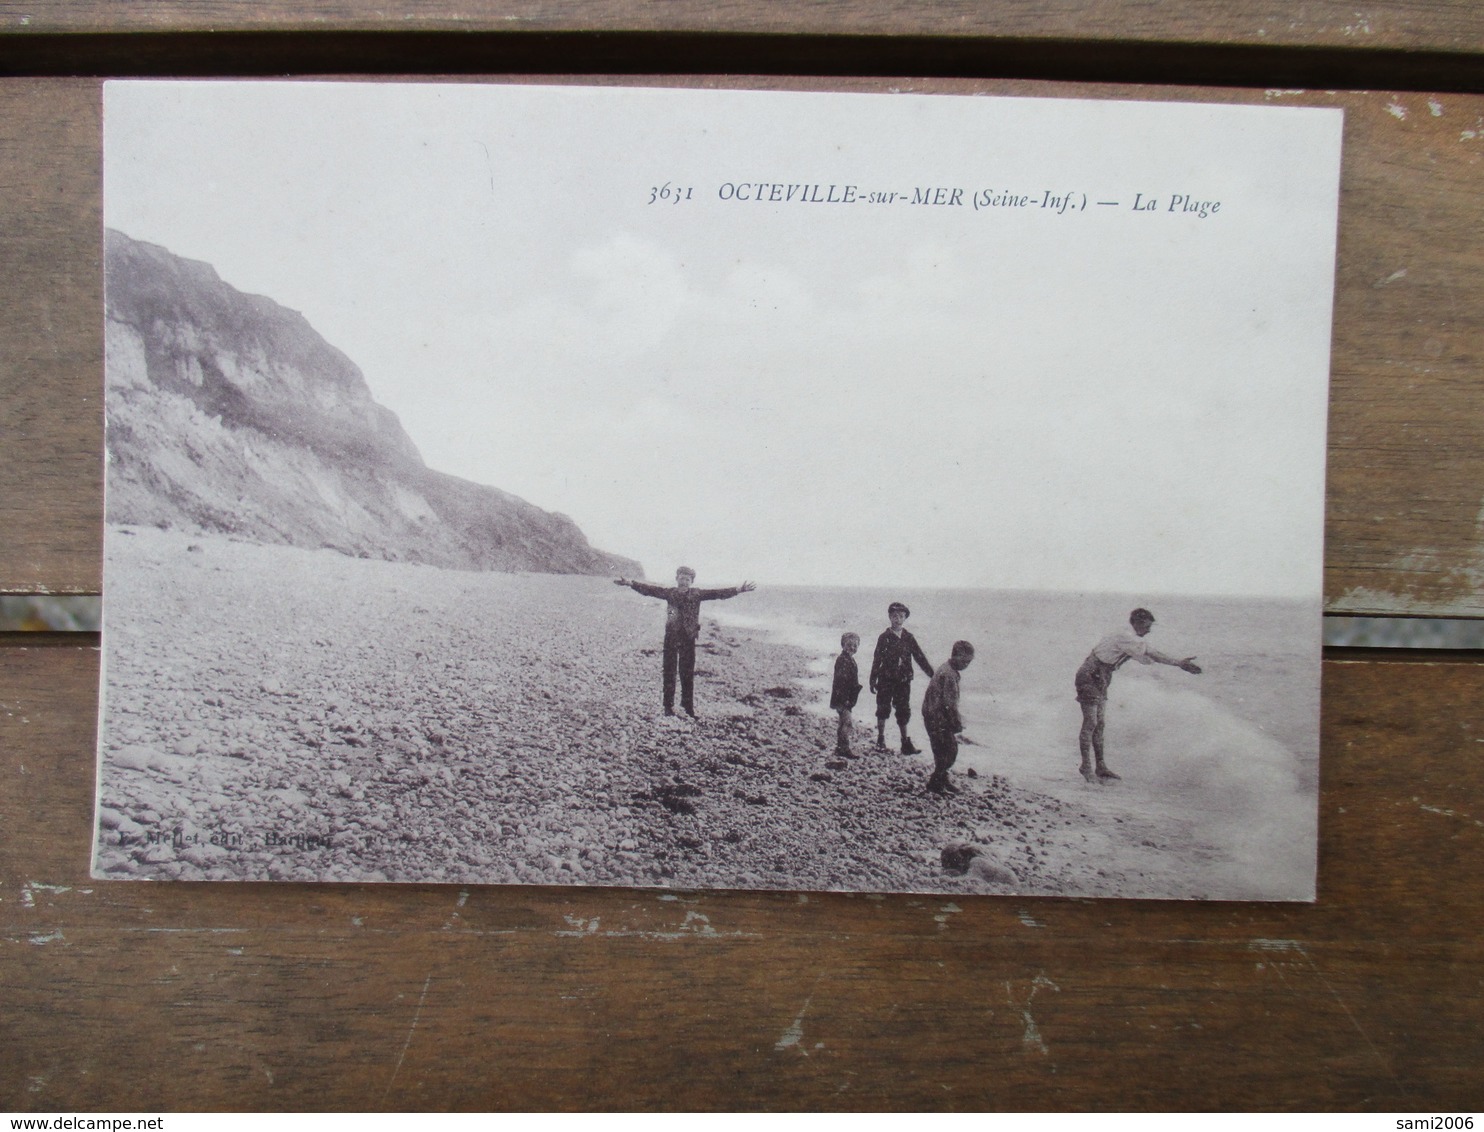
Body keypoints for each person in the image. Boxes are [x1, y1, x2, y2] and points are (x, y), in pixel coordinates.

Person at [1074, 607, 1201, 783]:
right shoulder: (1126, 637)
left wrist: (1178, 663)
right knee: (1091, 723)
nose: (1149, 630)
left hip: (1102, 675)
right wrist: (1179, 663)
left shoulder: (1132, 638)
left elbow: (1150, 652)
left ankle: (1101, 766)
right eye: (1147, 626)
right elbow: (1152, 654)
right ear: (1138, 623)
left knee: (1100, 724)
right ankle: (1086, 767)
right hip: (1090, 674)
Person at [615, 568, 756, 717]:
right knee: (669, 672)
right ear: (677, 579)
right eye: (682, 578)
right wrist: (631, 583)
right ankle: (668, 707)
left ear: (692, 582)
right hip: (671, 636)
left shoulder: (697, 594)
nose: (684, 582)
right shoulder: (670, 593)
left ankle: (688, 707)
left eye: (687, 579)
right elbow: (650, 590)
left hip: (688, 637)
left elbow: (717, 594)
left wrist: (739, 589)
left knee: (687, 673)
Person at [869, 601, 934, 753]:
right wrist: (872, 679)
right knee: (883, 708)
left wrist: (932, 674)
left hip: (903, 680)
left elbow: (919, 657)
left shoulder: (908, 637)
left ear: (905, 618)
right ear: (889, 617)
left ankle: (905, 743)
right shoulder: (883, 637)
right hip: (885, 679)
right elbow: (877, 659)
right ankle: (880, 739)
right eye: (894, 616)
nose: (897, 619)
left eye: (900, 616)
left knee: (903, 710)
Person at [923, 640, 975, 794]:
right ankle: (935, 782)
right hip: (937, 717)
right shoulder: (949, 675)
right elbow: (949, 705)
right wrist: (956, 723)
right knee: (950, 751)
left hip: (932, 714)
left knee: (941, 750)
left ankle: (941, 780)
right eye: (965, 661)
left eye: (969, 662)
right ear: (956, 656)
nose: (966, 665)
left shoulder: (946, 669)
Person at [830, 632, 863, 758]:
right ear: (843, 645)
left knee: (843, 722)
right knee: (847, 723)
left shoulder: (849, 659)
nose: (852, 648)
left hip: (845, 697)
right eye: (849, 645)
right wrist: (845, 700)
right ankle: (844, 747)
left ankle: (840, 746)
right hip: (843, 698)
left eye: (855, 645)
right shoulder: (843, 660)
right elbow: (841, 682)